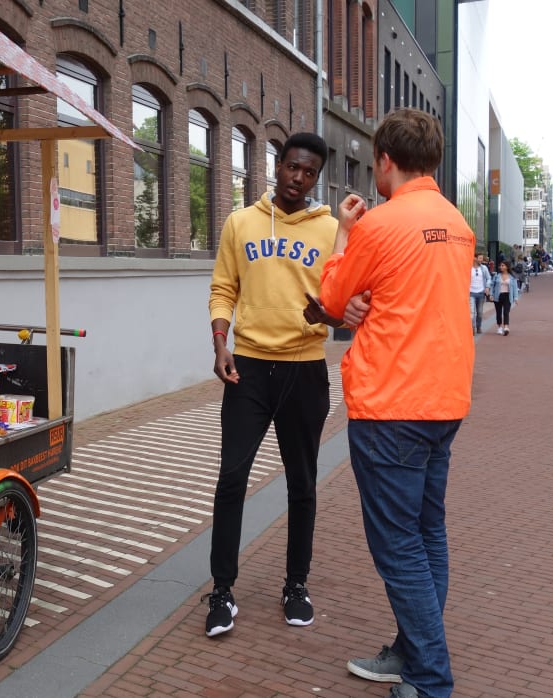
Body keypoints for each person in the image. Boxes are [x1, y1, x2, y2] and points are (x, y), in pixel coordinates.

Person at [316, 108, 475, 698]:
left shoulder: (380, 224)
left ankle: (430, 680)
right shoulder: (457, 224)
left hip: (392, 402)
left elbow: (332, 295)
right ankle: (411, 652)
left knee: (399, 545)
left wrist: (343, 232)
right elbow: (411, 296)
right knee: (427, 531)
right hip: (444, 398)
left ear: (384, 160)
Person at [205, 132, 365, 637]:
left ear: (316, 176)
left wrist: (329, 312)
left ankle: (296, 585)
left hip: (304, 368)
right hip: (248, 367)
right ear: (277, 165)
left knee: (303, 484)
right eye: (293, 167)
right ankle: (222, 591)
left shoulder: (329, 229)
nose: (299, 178)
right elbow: (223, 287)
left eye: (310, 172)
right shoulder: (240, 222)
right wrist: (219, 342)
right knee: (231, 479)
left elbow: (341, 296)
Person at [489, 260, 518, 335]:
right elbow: (492, 285)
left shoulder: (512, 277)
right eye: (500, 266)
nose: (501, 267)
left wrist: (516, 298)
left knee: (506, 312)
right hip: (498, 296)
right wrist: (491, 294)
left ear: (507, 267)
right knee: (498, 313)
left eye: (503, 266)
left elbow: (515, 288)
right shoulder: (497, 276)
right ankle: (499, 327)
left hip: (507, 296)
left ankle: (506, 327)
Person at [468, 253, 491, 334]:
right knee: (472, 312)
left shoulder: (484, 268)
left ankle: (479, 326)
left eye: (482, 258)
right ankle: (472, 328)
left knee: (480, 312)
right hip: (471, 293)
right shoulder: (468, 268)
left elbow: (488, 278)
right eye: (480, 258)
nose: (481, 260)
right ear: (474, 258)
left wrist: (487, 287)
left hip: (481, 293)